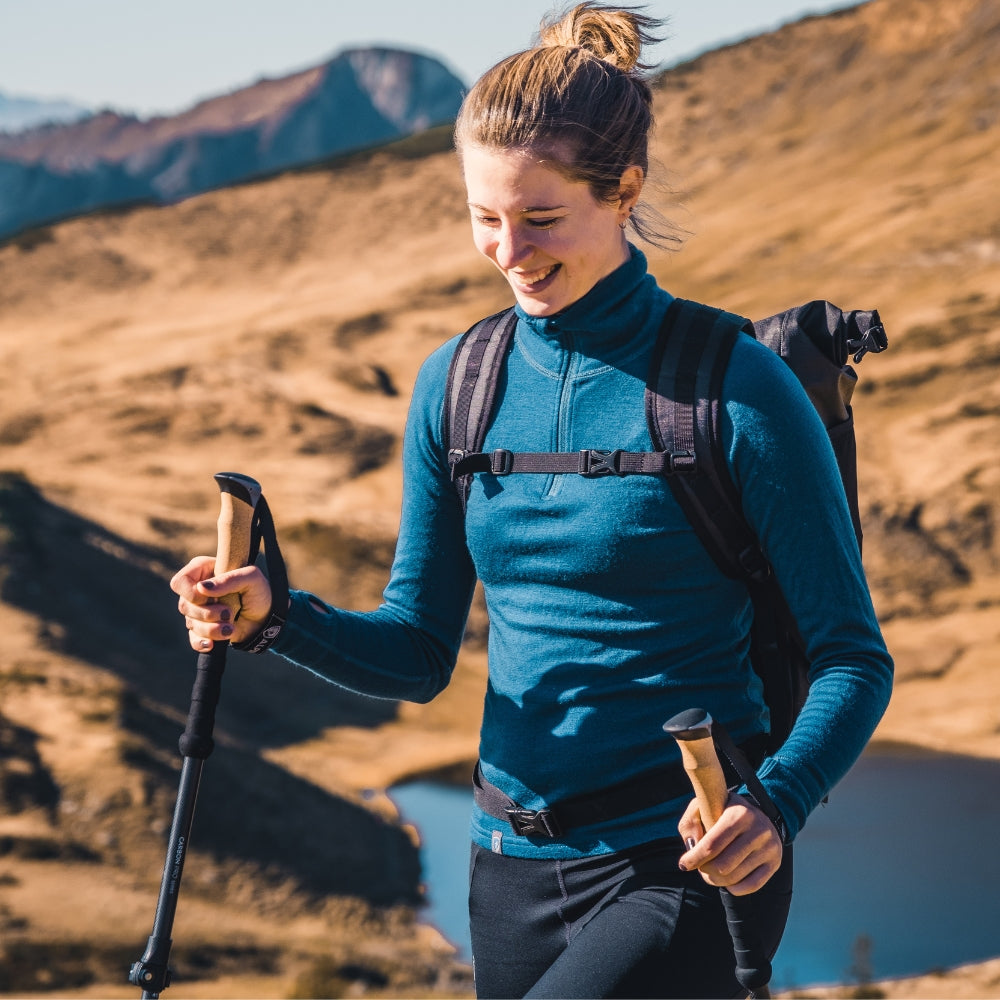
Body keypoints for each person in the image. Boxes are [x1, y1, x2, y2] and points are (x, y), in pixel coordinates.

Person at [172, 4, 893, 997]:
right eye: (483, 216)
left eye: (541, 218)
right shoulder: (457, 384)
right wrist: (275, 620)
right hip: (503, 871)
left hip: (678, 865)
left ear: (623, 190)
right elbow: (420, 650)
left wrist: (775, 801)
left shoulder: (732, 388)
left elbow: (853, 657)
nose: (509, 250)